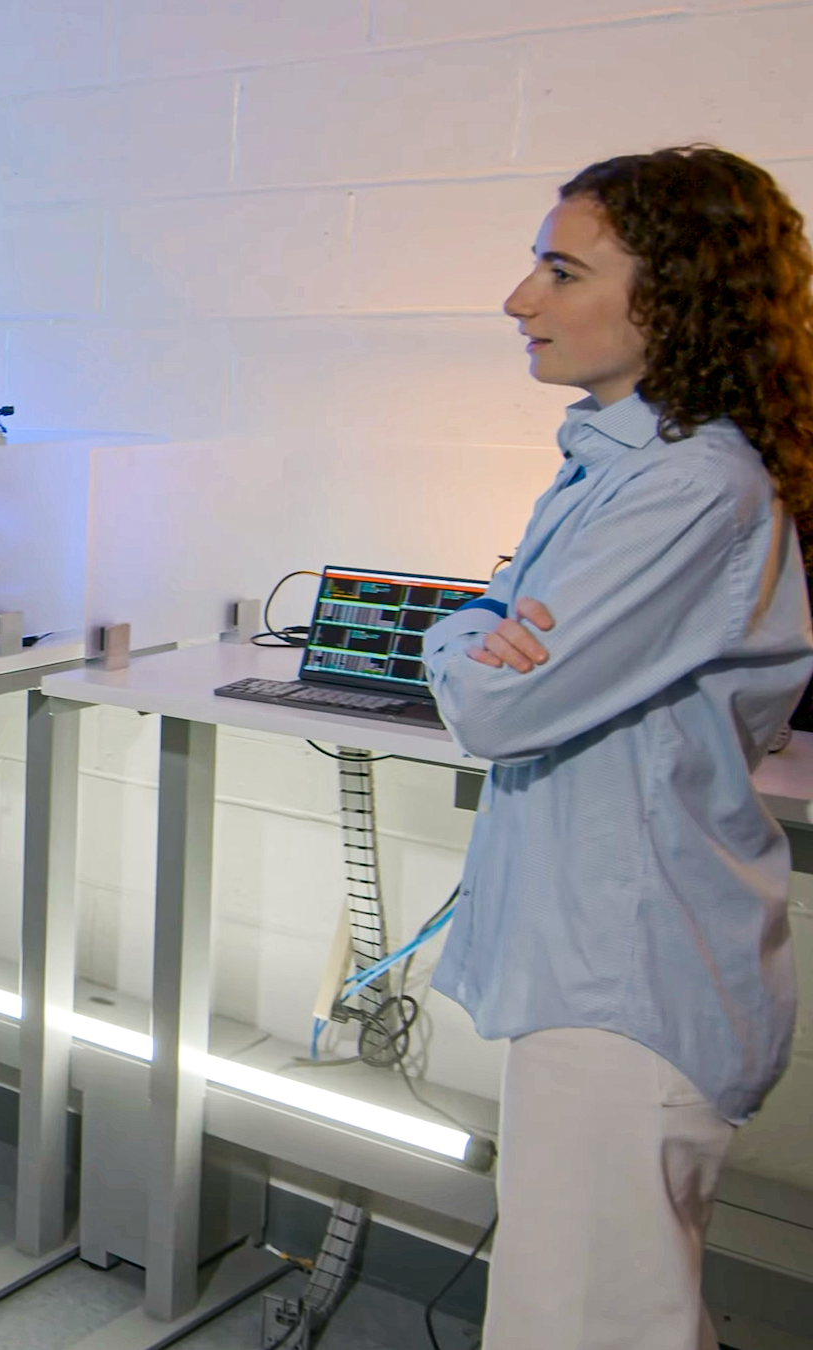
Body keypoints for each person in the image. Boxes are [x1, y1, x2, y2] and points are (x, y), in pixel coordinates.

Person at [422, 145, 813, 1349]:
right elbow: (493, 638)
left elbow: (492, 705)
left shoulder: (693, 487)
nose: (518, 299)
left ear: (675, 299)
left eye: (560, 269)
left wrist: (462, 629)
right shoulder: (613, 465)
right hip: (597, 972)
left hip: (631, 986)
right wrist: (479, 625)